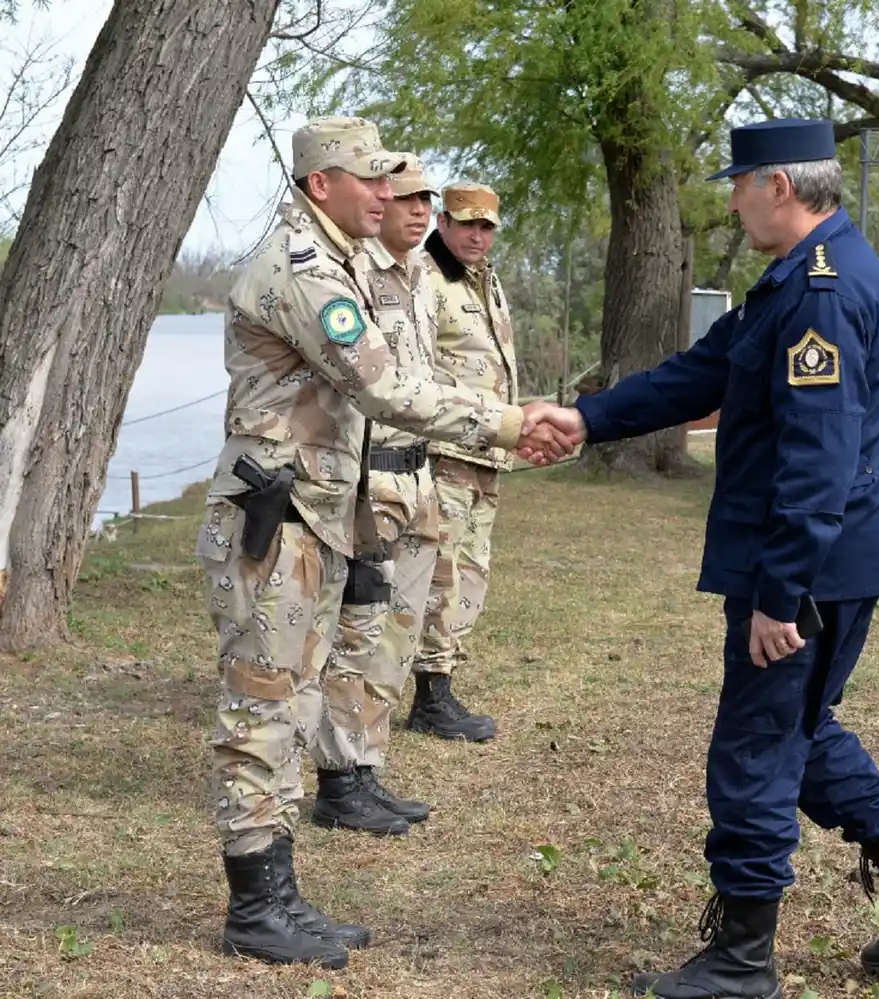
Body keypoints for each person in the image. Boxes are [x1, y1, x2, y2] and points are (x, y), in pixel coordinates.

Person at [523, 117, 879, 999]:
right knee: (796, 736)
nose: (730, 198)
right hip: (827, 559)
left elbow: (818, 463)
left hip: (809, 568)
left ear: (780, 186)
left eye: (739, 183)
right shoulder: (798, 280)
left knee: (756, 749)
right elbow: (701, 373)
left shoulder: (820, 293)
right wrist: (588, 418)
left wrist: (781, 594)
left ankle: (742, 957)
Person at [198, 116, 571, 971]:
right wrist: (511, 422)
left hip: (313, 516)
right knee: (264, 705)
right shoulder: (299, 271)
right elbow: (384, 384)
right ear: (320, 184)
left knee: (292, 703)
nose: (388, 193)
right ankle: (256, 905)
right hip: (276, 521)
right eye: (369, 179)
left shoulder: (341, 262)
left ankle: (275, 892)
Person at [306, 153, 447, 837]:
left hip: (419, 475)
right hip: (372, 479)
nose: (417, 210)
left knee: (399, 634)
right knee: (357, 635)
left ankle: (366, 766)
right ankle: (338, 777)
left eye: (426, 199)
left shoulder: (424, 278)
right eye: (404, 197)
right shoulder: (352, 273)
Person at [404, 183, 519, 742]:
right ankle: (429, 693)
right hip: (446, 449)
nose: (478, 235)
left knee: (472, 570)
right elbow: (413, 369)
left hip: (486, 452)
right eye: (467, 224)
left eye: (487, 226)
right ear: (443, 222)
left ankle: (441, 680)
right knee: (440, 572)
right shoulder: (424, 278)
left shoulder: (485, 279)